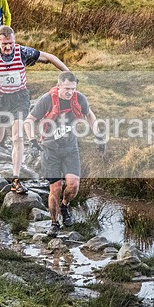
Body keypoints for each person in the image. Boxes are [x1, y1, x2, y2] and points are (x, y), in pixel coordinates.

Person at [0, 26, 68, 194]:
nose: (8, 47)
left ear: (14, 41)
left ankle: (15, 180)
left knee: (18, 137)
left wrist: (68, 74)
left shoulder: (22, 52)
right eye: (4, 45)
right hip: (0, 99)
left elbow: (49, 57)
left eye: (10, 43)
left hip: (20, 98)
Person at [24, 72, 102, 236]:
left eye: (73, 89)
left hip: (70, 148)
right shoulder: (47, 100)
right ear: (59, 86)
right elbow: (29, 120)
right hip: (50, 150)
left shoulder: (79, 98)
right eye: (67, 89)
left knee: (73, 185)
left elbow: (89, 115)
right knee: (56, 188)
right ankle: (54, 223)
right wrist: (32, 141)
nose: (70, 92)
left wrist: (98, 136)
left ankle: (65, 205)